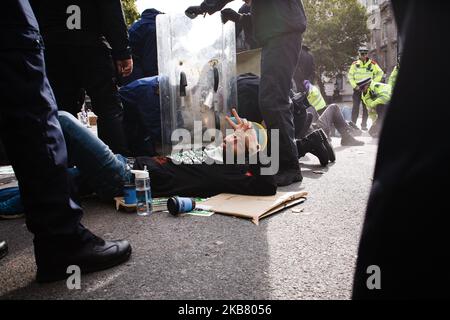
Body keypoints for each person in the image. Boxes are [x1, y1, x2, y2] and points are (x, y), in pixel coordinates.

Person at [0, 0, 131, 283]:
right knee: (47, 118)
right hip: (125, 173)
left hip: (57, 43)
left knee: (56, 119)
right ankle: (60, 240)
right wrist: (122, 49)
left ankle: (58, 232)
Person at [353, 0, 450, 299]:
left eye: (366, 52)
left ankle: (388, 278)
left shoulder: (378, 73)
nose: (365, 55)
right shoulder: (358, 70)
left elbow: (385, 91)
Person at [186, 0, 307, 187]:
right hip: (278, 36)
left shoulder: (282, 18)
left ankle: (290, 167)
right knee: (271, 100)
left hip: (283, 36)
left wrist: (206, 7)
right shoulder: (274, 12)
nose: (245, 1)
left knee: (273, 101)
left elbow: (275, 17)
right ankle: (287, 162)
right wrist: (240, 18)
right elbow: (269, 17)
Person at [31, 0, 132, 156]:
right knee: (108, 108)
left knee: (61, 110)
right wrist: (122, 51)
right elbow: (111, 11)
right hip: (91, 43)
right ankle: (118, 160)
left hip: (55, 46)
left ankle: (64, 160)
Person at [122, 8, 162, 86]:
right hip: (133, 67)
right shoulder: (154, 29)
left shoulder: (145, 23)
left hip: (126, 62)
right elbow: (149, 63)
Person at [347, 47, 384, 131]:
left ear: (367, 54)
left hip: (367, 90)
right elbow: (350, 76)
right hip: (357, 89)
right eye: (361, 54)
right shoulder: (355, 64)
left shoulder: (372, 64)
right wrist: (355, 86)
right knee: (355, 107)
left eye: (365, 54)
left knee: (366, 108)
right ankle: (353, 124)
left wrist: (372, 84)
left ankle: (364, 125)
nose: (363, 55)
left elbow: (380, 73)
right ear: (359, 54)